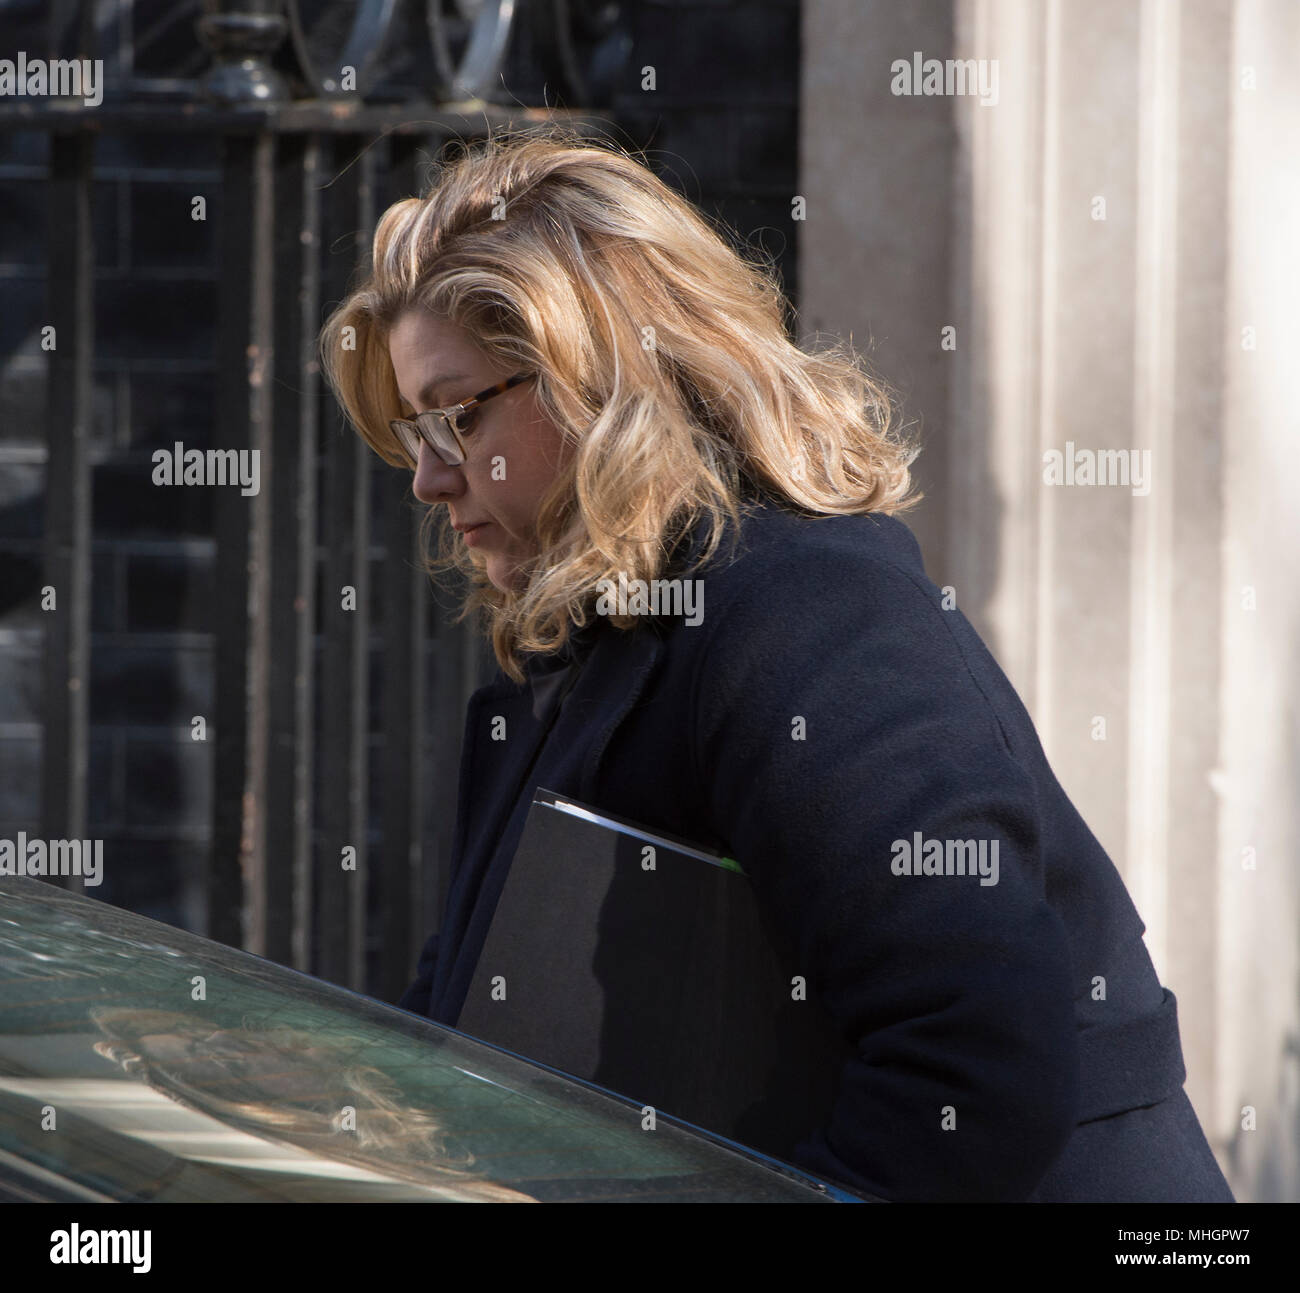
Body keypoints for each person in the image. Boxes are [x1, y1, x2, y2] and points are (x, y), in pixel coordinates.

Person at [317, 125, 1234, 1203]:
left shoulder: (810, 611)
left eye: (457, 418)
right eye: (416, 434)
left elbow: (977, 1059)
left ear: (602, 378)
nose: (430, 481)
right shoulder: (597, 641)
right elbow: (469, 1026)